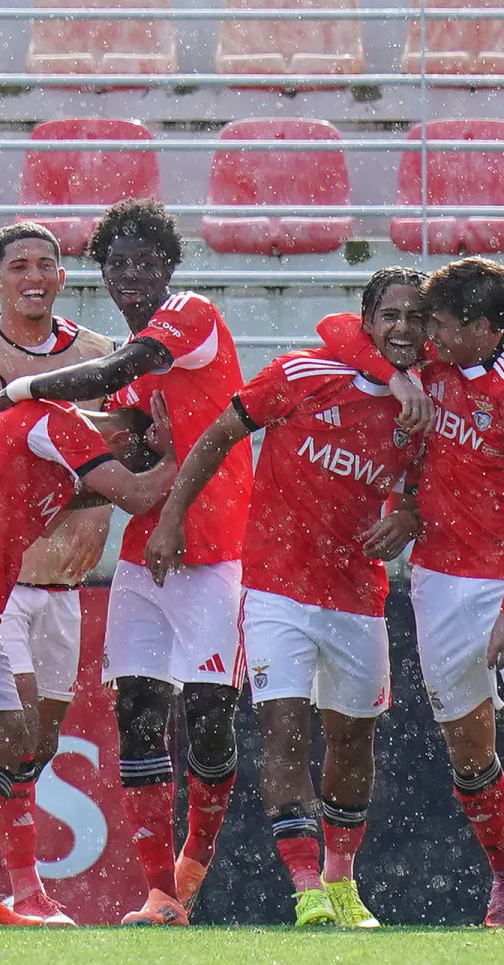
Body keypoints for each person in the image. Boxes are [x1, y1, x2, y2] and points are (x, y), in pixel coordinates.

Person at [0, 199, 252, 925]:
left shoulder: (186, 319)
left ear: (170, 266)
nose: (133, 276)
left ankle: (196, 855)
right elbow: (113, 435)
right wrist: (19, 440)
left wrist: (16, 394)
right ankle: (161, 892)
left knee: (210, 720)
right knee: (138, 714)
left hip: (215, 555)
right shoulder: (134, 376)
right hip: (143, 559)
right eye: (118, 264)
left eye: (146, 262)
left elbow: (115, 374)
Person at [148, 268, 428, 928]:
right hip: (276, 586)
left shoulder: (424, 404)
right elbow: (219, 434)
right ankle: (307, 891)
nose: (401, 328)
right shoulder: (303, 375)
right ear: (366, 319)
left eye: (415, 317)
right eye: (389, 315)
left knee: (352, 744)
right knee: (282, 733)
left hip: (358, 594)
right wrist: (170, 517)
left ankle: (341, 881)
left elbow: (422, 487)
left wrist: (408, 514)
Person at [317, 257, 504, 929]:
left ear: (485, 329)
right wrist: (403, 496)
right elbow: (338, 328)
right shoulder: (430, 363)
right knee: (470, 750)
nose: (427, 333)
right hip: (437, 581)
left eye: (444, 323)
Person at [0, 394, 179, 925]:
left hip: (60, 591)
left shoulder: (64, 438)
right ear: (116, 443)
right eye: (117, 467)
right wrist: (179, 457)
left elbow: (47, 504)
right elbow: (136, 494)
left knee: (34, 741)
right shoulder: (55, 417)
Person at [0, 222, 118, 924]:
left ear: (63, 277)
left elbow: (127, 451)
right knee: (13, 729)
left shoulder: (100, 356)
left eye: (46, 264)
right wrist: (64, 475)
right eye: (18, 265)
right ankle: (11, 890)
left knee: (37, 743)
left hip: (68, 583)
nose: (34, 275)